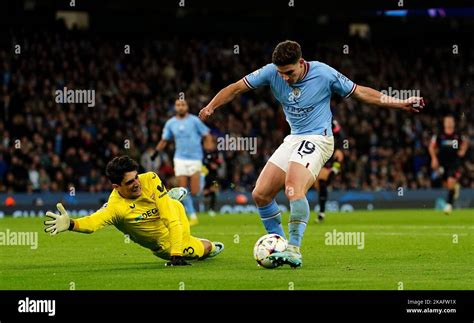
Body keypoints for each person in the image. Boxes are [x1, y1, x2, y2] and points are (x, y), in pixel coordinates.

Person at [199, 40, 424, 268]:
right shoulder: (271, 72)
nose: (285, 78)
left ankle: (294, 250)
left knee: (293, 187)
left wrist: (400, 103)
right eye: (281, 73)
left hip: (319, 138)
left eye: (289, 72)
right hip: (294, 137)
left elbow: (361, 92)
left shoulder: (324, 73)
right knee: (261, 194)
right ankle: (281, 247)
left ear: (301, 63)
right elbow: (236, 87)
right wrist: (211, 106)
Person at [44, 156, 224, 266]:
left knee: (170, 208)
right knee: (206, 248)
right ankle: (170, 201)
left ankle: (169, 199)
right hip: (165, 244)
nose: (137, 183)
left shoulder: (150, 178)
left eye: (136, 177)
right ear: (116, 186)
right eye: (130, 182)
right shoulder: (116, 207)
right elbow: (93, 223)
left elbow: (170, 219)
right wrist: (71, 224)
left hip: (174, 217)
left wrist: (176, 256)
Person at [152, 98, 214, 226]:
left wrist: (209, 153)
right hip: (180, 159)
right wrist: (156, 153)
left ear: (187, 107)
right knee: (182, 189)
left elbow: (207, 135)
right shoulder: (170, 123)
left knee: (196, 191)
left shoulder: (194, 121)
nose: (181, 107)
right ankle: (192, 216)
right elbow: (164, 140)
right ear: (175, 108)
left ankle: (202, 175)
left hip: (195, 158)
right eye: (178, 105)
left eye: (183, 105)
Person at [428, 115, 469, 214]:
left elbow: (465, 142)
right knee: (447, 184)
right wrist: (434, 158)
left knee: (451, 181)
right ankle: (455, 188)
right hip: (442, 163)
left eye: (451, 121)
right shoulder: (439, 135)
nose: (449, 123)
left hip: (454, 162)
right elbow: (431, 147)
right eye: (447, 121)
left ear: (454, 123)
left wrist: (462, 151)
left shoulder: (457, 135)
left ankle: (448, 205)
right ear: (444, 123)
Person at [313, 119, 344, 223]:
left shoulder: (332, 122)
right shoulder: (317, 121)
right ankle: (321, 211)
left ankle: (321, 212)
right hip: (320, 153)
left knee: (322, 183)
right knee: (321, 186)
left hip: (332, 154)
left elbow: (340, 136)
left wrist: (340, 149)